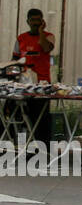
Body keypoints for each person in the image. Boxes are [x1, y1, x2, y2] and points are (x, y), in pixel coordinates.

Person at [10, 8, 54, 146]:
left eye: (38, 20)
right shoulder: (21, 38)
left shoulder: (48, 36)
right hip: (23, 84)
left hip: (42, 84)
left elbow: (46, 48)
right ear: (27, 21)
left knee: (40, 118)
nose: (35, 23)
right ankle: (23, 147)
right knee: (22, 117)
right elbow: (14, 60)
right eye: (32, 20)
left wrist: (41, 32)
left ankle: (42, 149)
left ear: (42, 21)